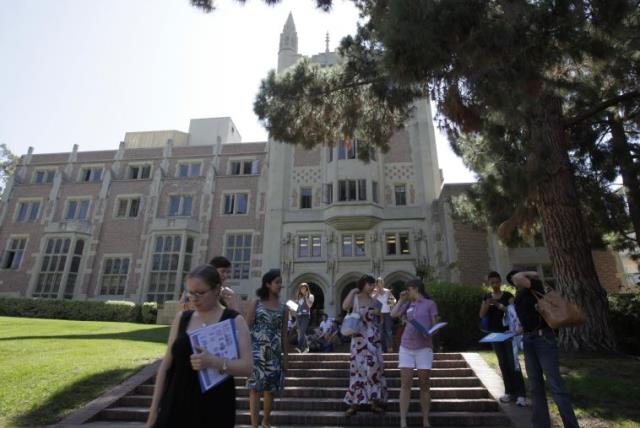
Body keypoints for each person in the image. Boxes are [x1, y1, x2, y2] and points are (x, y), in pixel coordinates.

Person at [147, 265, 253, 428]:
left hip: (214, 407)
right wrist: (153, 411)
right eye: (190, 293)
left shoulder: (234, 320)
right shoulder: (182, 318)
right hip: (175, 402)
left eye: (200, 293)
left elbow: (247, 367)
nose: (194, 298)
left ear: (217, 289)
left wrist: (214, 362)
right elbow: (165, 366)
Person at [508, 270, 580, 428]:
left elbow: (525, 275)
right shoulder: (519, 296)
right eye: (512, 280)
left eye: (516, 277)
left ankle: (571, 425)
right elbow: (527, 322)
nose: (515, 280)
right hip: (528, 339)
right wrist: (514, 331)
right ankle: (540, 424)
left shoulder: (536, 286)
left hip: (544, 339)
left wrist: (527, 273)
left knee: (555, 385)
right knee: (535, 386)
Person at [390, 278, 439, 428]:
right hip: (406, 346)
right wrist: (400, 299)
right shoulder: (408, 304)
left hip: (424, 347)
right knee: (405, 384)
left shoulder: (430, 304)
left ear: (416, 289)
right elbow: (393, 314)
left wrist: (429, 332)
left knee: (424, 384)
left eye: (408, 290)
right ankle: (403, 421)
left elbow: (435, 324)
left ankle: (425, 419)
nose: (407, 292)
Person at [245, 269, 289, 428]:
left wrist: (286, 358)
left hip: (274, 354)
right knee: (255, 390)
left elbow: (284, 336)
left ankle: (266, 422)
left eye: (280, 282)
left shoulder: (284, 308)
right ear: (268, 284)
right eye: (277, 282)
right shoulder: (256, 304)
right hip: (256, 353)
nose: (280, 285)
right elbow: (246, 327)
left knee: (270, 390)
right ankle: (254, 425)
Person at [342, 274, 387, 416]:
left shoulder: (375, 300)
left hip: (373, 338)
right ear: (363, 284)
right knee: (358, 370)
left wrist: (377, 311)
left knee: (374, 369)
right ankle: (355, 403)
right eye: (370, 284)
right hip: (358, 339)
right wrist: (352, 291)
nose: (372, 287)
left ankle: (374, 402)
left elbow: (380, 318)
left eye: (373, 284)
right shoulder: (355, 297)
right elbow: (345, 306)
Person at [479, 271, 526, 406]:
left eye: (497, 282)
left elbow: (514, 313)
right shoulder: (487, 296)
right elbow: (481, 315)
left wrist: (500, 306)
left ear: (500, 282)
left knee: (513, 363)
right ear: (488, 283)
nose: (494, 285)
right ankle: (509, 392)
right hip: (495, 335)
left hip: (509, 333)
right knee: (503, 363)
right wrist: (487, 304)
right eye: (492, 282)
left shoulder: (508, 296)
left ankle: (521, 394)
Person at [372, 277, 396, 352]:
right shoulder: (374, 292)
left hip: (387, 313)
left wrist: (390, 302)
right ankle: (383, 349)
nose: (379, 285)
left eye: (381, 283)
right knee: (380, 332)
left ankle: (390, 347)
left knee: (389, 331)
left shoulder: (387, 291)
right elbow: (371, 301)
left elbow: (394, 301)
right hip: (378, 314)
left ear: (383, 283)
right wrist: (376, 294)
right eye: (378, 283)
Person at [295, 282, 314, 353]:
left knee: (302, 332)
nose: (302, 289)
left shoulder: (311, 296)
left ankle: (299, 347)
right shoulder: (299, 297)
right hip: (298, 316)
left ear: (306, 289)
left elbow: (309, 306)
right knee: (300, 332)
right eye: (301, 288)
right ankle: (306, 347)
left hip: (305, 316)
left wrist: (306, 297)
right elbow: (297, 307)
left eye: (303, 288)